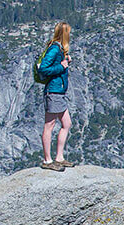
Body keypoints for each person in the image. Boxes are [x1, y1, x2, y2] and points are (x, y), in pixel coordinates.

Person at [38, 22, 74, 171]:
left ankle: (59, 157)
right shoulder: (54, 48)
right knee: (49, 125)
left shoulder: (59, 50)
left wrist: (65, 61)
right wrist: (62, 66)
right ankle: (47, 160)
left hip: (59, 93)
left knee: (67, 124)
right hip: (53, 92)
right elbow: (43, 68)